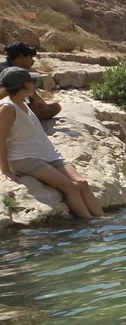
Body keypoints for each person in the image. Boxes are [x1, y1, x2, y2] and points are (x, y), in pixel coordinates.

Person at [0, 67, 102, 219]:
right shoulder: (7, 107)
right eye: (32, 81)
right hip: (25, 158)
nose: (35, 83)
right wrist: (5, 170)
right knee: (71, 187)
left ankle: (102, 219)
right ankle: (89, 223)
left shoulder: (24, 101)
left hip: (48, 153)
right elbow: (1, 138)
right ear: (24, 84)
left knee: (82, 183)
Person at [3, 44, 61, 122]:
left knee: (54, 106)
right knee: (37, 108)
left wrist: (43, 105)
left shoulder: (16, 70)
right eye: (30, 57)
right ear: (21, 57)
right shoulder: (8, 72)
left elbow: (33, 95)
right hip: (7, 109)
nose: (32, 61)